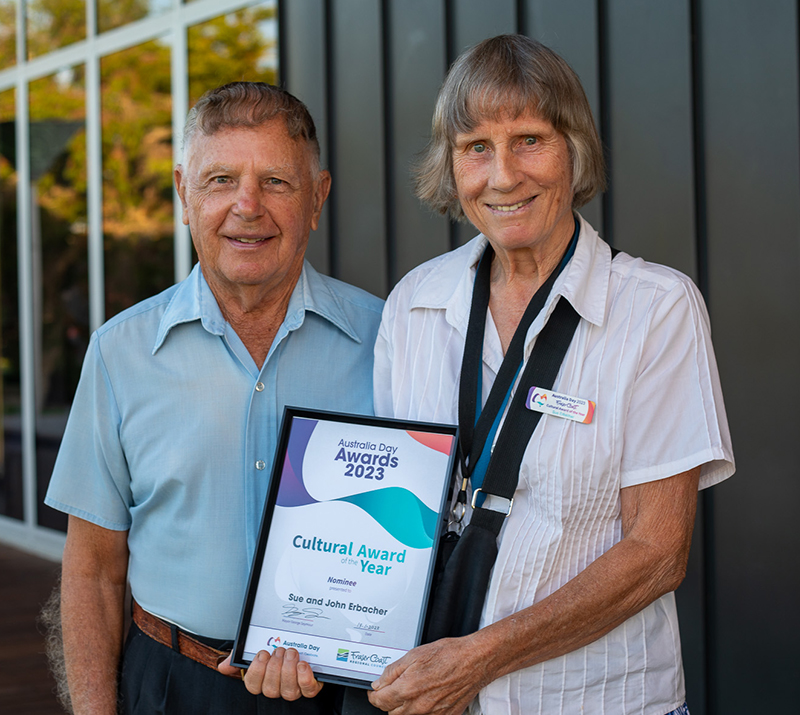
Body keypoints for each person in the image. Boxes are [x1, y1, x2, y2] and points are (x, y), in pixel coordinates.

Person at [369, 35, 734, 715]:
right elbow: (394, 518)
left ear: (575, 149)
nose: (502, 176)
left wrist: (476, 658)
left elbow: (658, 551)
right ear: (452, 167)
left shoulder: (654, 309)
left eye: (529, 139)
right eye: (476, 146)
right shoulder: (413, 305)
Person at [44, 82, 383, 714]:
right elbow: (91, 570)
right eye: (221, 180)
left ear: (318, 197)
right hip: (171, 684)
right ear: (183, 195)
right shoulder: (121, 354)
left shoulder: (388, 343)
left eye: (277, 182)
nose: (247, 207)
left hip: (346, 694)